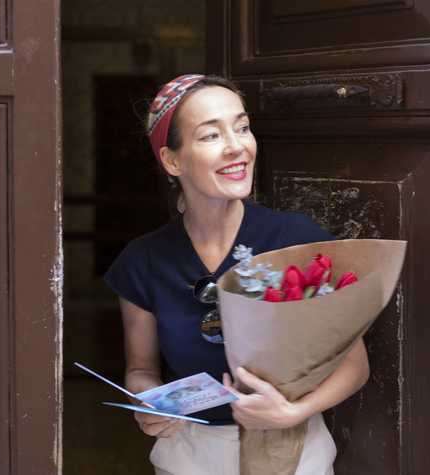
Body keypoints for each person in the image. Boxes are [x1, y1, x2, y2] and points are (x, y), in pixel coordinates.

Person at [103, 74, 370, 475]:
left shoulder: (296, 241)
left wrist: (291, 411)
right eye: (211, 135)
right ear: (172, 160)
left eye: (242, 127)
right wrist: (147, 404)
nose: (237, 147)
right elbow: (141, 371)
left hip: (293, 456)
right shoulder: (143, 261)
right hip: (188, 458)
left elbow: (355, 364)